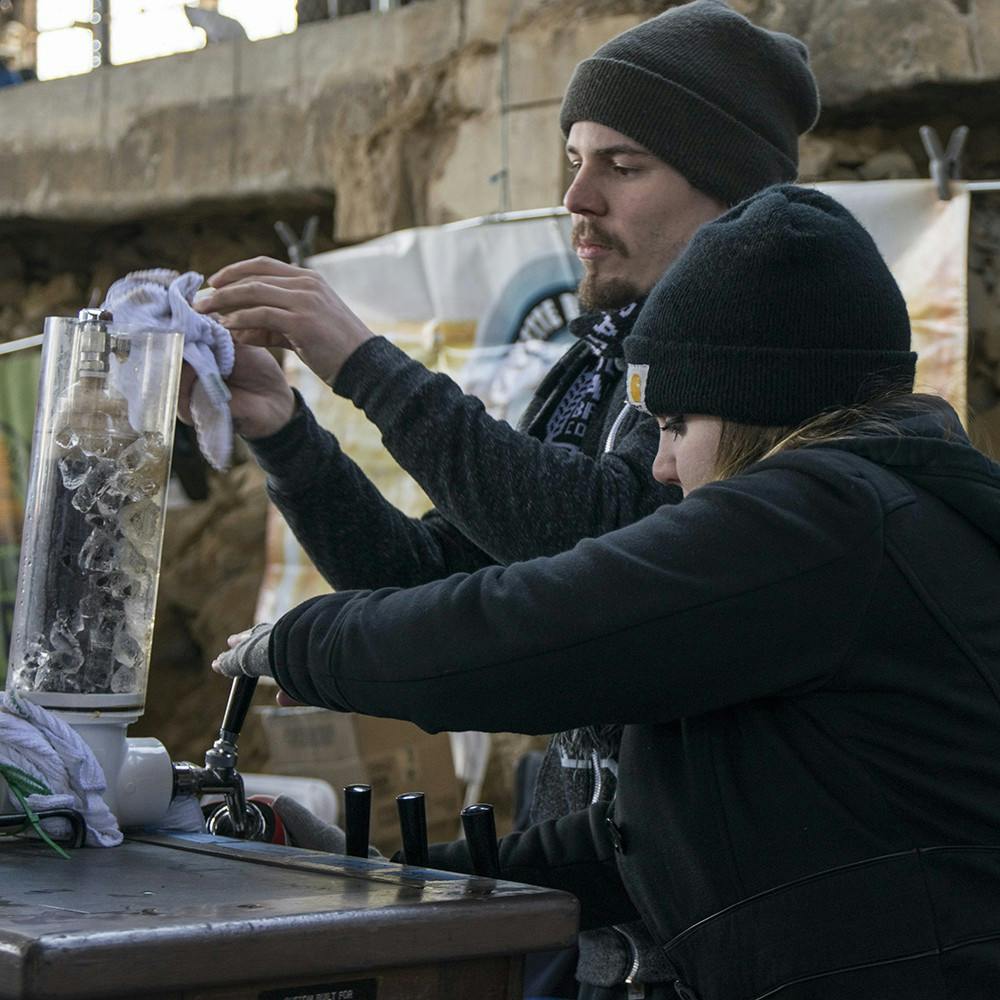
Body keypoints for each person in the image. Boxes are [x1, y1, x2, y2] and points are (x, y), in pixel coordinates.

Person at [215, 184, 1000, 999]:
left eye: (674, 426)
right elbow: (658, 839)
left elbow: (531, 635)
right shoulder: (860, 527)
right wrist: (374, 872)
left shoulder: (827, 517)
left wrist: (296, 643)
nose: (661, 467)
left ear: (758, 410)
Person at [189, 2, 819, 994]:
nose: (575, 195)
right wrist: (286, 430)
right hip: (601, 906)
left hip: (739, 939)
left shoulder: (773, 374)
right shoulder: (591, 370)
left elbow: (625, 561)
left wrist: (362, 363)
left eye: (623, 165)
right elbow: (422, 573)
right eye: (573, 156)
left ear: (730, 196)